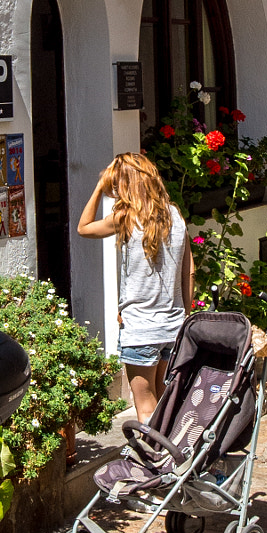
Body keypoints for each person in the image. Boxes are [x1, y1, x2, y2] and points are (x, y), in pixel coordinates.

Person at [77, 152, 193, 424]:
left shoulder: (125, 217)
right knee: (164, 396)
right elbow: (189, 271)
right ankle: (172, 454)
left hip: (141, 329)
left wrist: (97, 188)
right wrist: (184, 317)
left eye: (117, 183)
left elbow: (83, 228)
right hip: (173, 327)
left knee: (145, 405)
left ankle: (157, 461)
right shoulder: (175, 215)